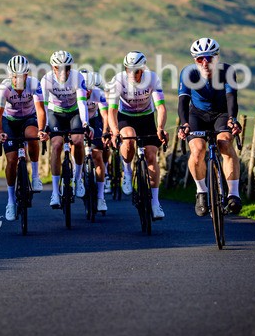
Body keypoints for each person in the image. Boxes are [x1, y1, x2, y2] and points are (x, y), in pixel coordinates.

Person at [177, 37, 243, 217]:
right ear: (195, 60)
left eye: (209, 58)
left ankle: (233, 194)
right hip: (197, 114)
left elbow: (231, 98)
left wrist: (232, 119)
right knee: (198, 149)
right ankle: (201, 192)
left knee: (225, 142)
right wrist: (184, 124)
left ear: (217, 57)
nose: (205, 63)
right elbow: (183, 101)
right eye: (200, 59)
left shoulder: (227, 71)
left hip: (221, 113)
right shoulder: (188, 73)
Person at [107, 51, 168, 220]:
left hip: (146, 118)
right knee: (129, 139)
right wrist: (115, 131)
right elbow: (112, 111)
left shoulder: (152, 78)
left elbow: (160, 107)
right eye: (128, 69)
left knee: (151, 155)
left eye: (136, 71)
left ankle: (155, 203)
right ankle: (127, 172)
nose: (132, 74)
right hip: (125, 118)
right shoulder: (119, 80)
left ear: (143, 69)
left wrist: (160, 127)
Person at [0, 55, 47, 221]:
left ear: (26, 74)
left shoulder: (34, 84)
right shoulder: (5, 87)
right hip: (9, 121)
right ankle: (10, 201)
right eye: (15, 76)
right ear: (10, 75)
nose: (18, 79)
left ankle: (35, 176)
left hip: (29, 118)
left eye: (22, 76)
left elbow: (40, 110)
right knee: (11, 160)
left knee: (32, 136)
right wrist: (0, 132)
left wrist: (41, 130)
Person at [37, 50, 90, 210]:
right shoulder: (46, 79)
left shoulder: (77, 77)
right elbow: (44, 106)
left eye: (67, 68)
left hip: (74, 112)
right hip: (55, 113)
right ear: (53, 68)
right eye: (59, 68)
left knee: (78, 141)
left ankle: (78, 178)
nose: (63, 72)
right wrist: (44, 126)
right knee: (56, 144)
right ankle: (55, 192)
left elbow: (82, 103)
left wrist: (85, 123)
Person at [79, 69, 110, 213]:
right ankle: (77, 174)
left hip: (94, 120)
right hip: (79, 120)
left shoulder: (98, 93)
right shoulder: (75, 93)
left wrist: (105, 131)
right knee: (76, 146)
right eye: (85, 90)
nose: (87, 93)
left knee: (98, 155)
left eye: (89, 90)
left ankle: (100, 197)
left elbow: (105, 114)